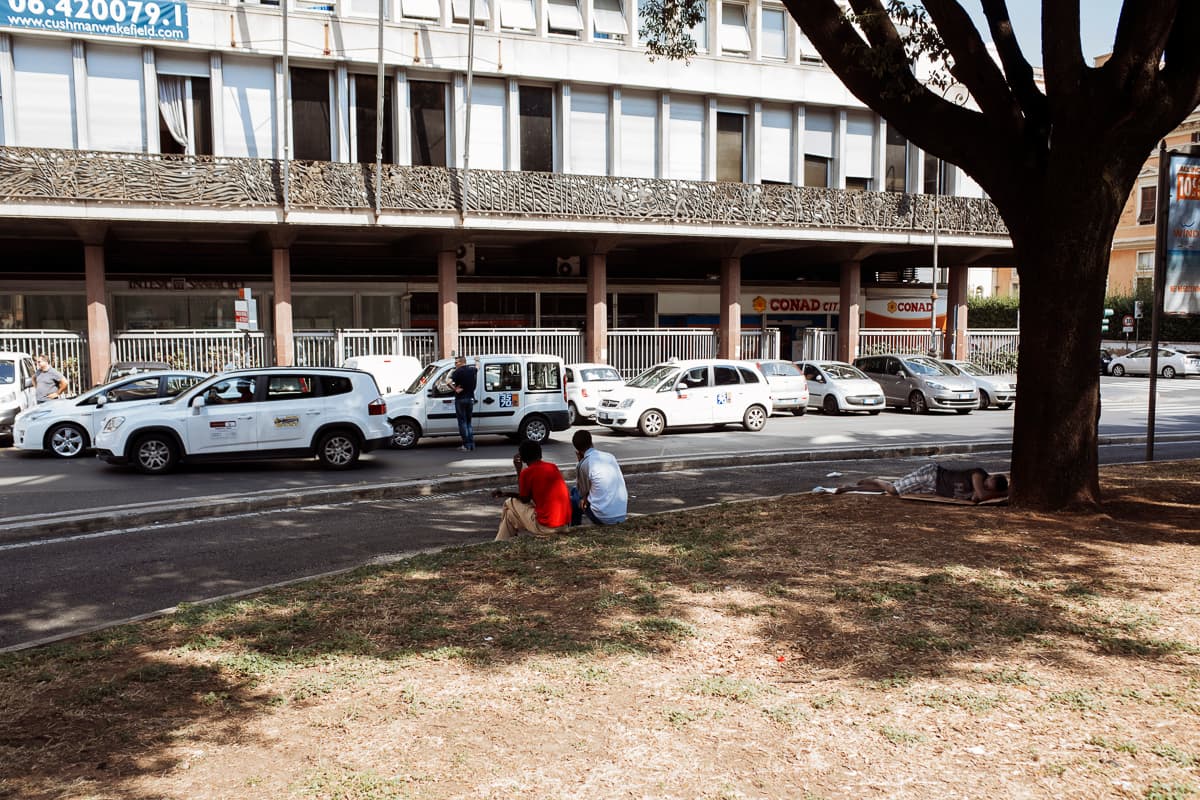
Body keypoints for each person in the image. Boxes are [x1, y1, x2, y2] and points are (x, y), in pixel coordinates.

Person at [492, 440, 571, 540]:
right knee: (510, 515)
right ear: (540, 454)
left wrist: (518, 471)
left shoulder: (527, 473)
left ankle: (500, 541)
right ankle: (500, 541)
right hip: (563, 525)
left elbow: (524, 499)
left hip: (545, 527)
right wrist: (505, 493)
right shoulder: (552, 467)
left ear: (523, 458)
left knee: (509, 502)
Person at [836, 462, 1009, 503]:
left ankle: (850, 488)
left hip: (933, 489)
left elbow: (976, 498)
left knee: (895, 491)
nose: (985, 486)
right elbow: (980, 495)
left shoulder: (982, 491)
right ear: (991, 477)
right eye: (988, 483)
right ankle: (874, 479)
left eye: (988, 487)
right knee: (894, 490)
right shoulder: (978, 474)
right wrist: (1005, 493)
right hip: (932, 475)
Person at [570, 429, 628, 526]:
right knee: (578, 493)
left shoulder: (583, 463)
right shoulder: (610, 456)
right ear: (591, 442)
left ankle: (575, 526)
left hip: (604, 518)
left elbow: (582, 492)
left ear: (577, 451)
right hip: (621, 514)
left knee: (573, 496)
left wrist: (580, 461)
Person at [450, 355, 478, 451]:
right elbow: (478, 367)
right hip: (470, 399)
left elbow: (448, 382)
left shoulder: (457, 372)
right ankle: (471, 444)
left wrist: (455, 389)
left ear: (461, 362)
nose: (455, 364)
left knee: (462, 422)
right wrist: (477, 360)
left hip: (461, 399)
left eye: (456, 362)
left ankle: (466, 445)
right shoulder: (472, 370)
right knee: (468, 422)